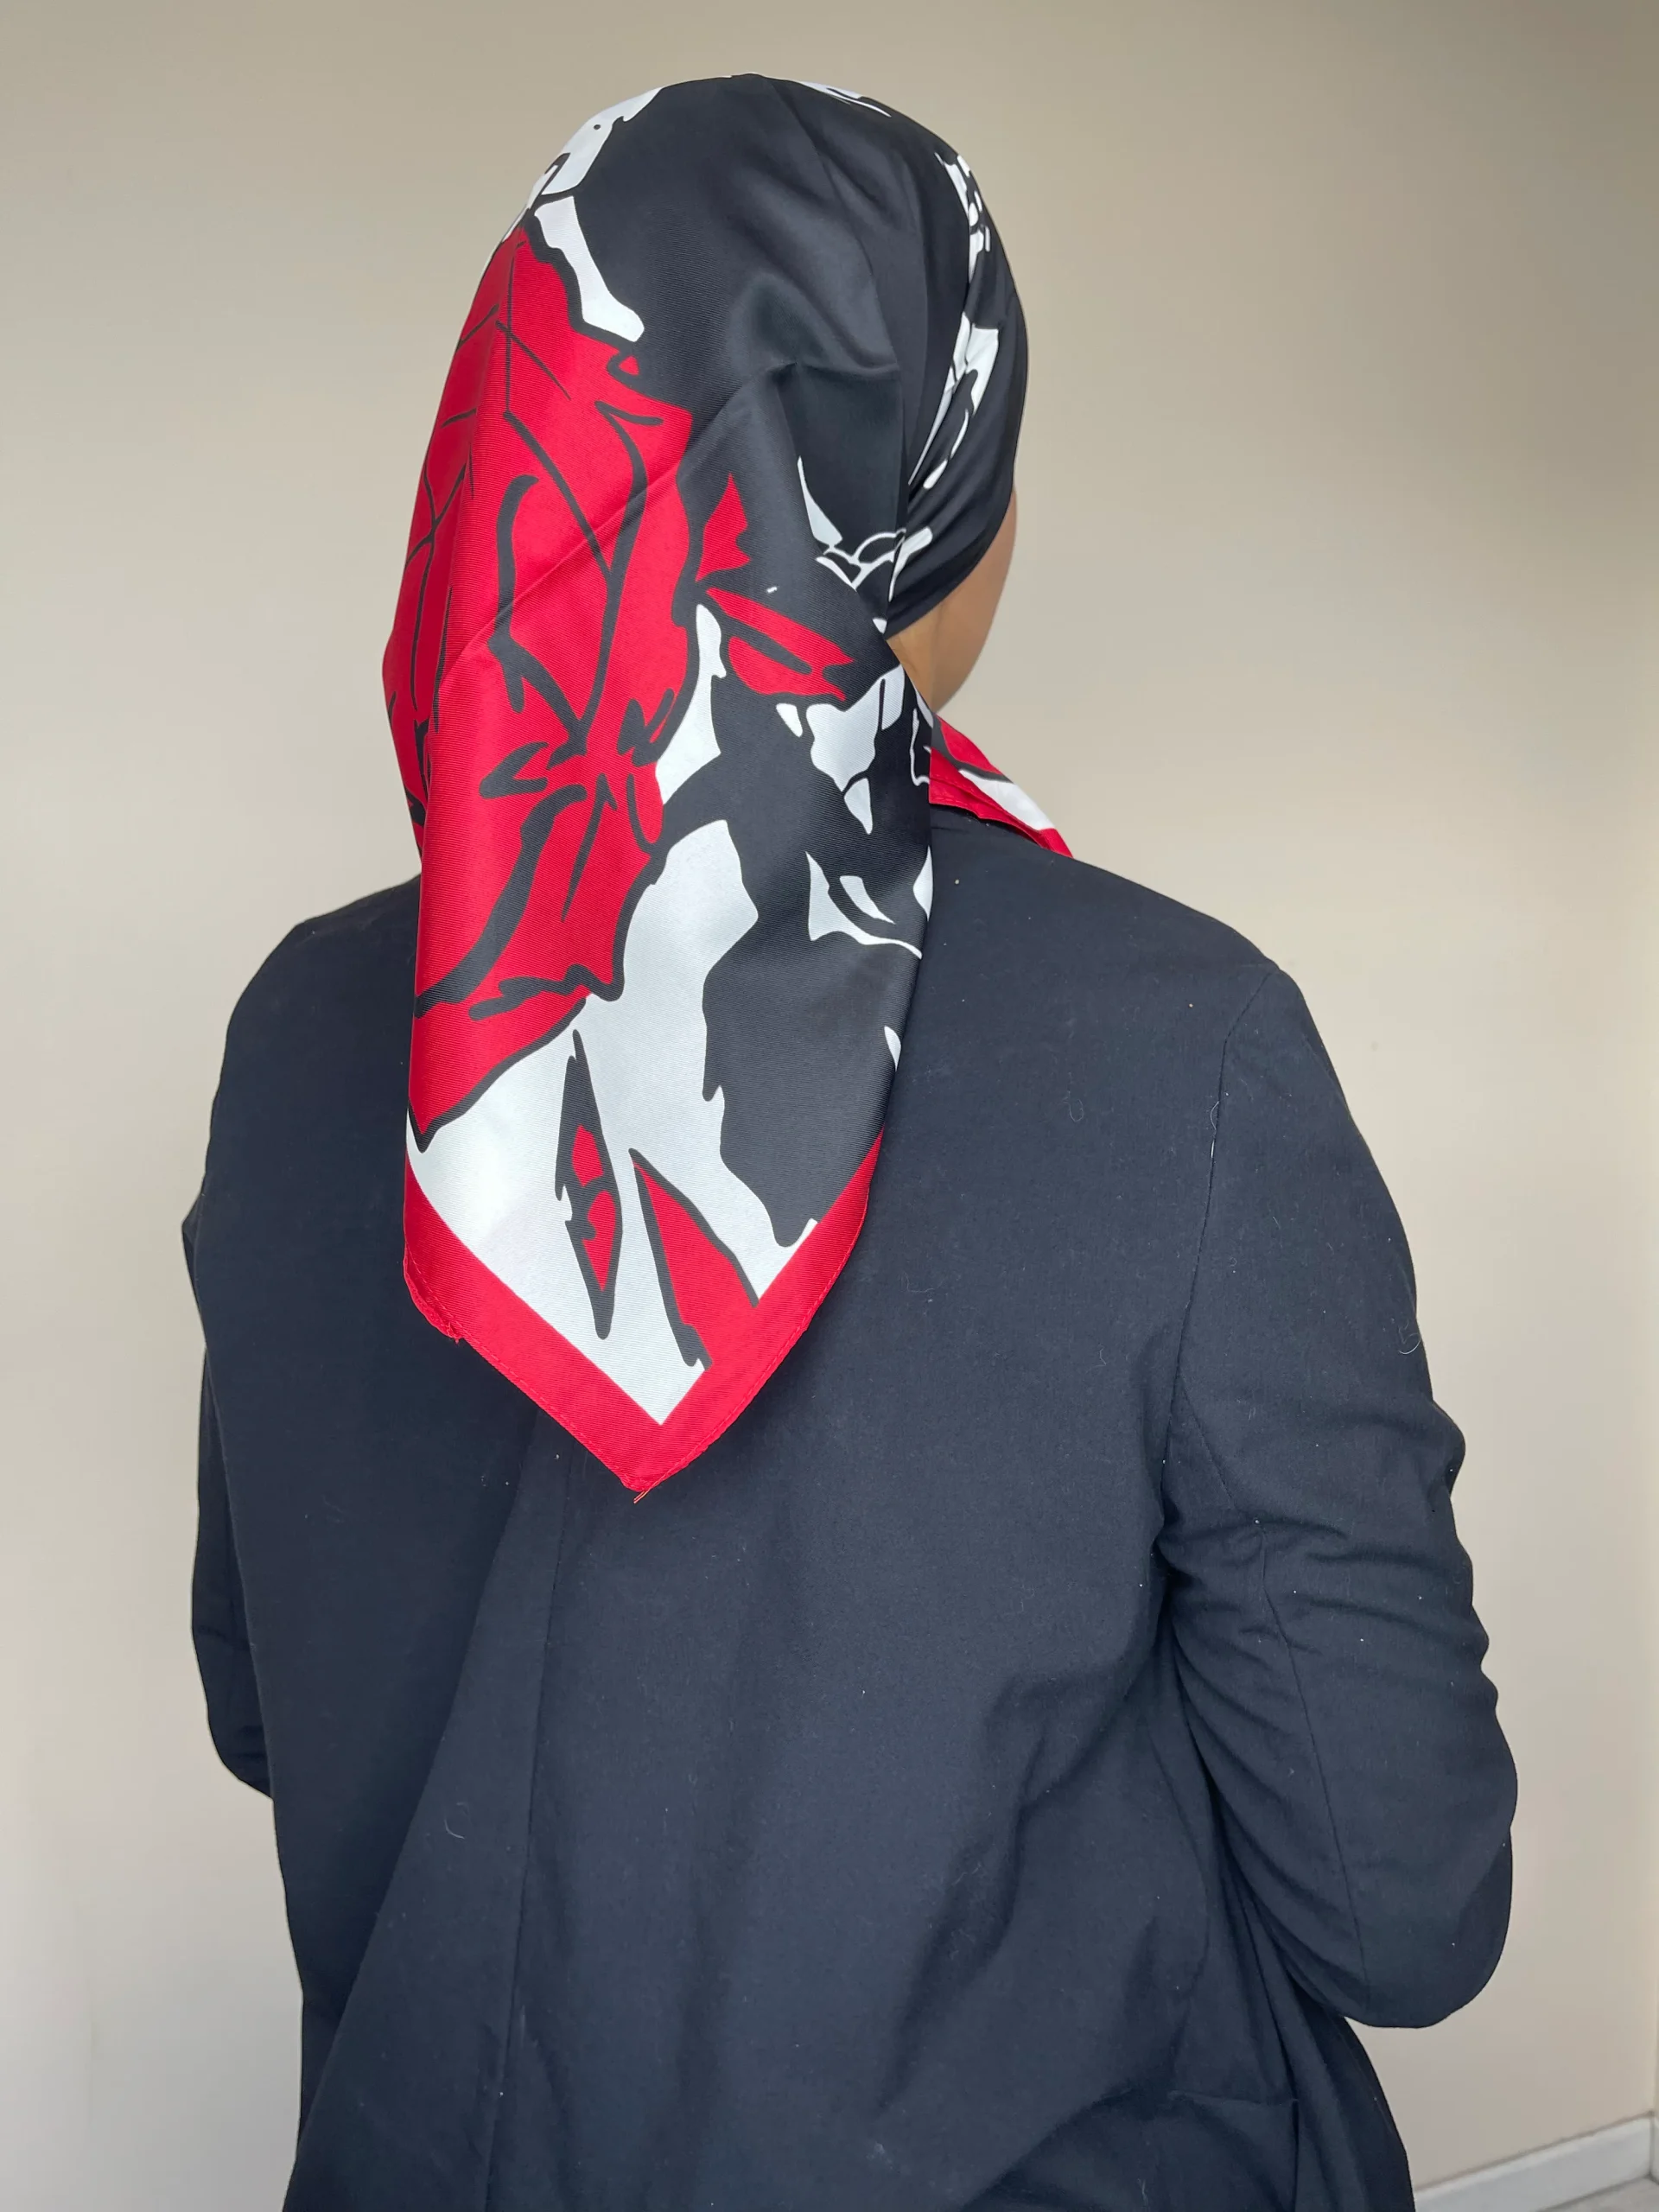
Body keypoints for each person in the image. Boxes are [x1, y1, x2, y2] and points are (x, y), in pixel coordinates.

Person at [185, 76, 1516, 2212]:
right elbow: (1405, 1901)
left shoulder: (303, 1033)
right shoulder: (1185, 1047)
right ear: (925, 496)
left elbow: (271, 1713)